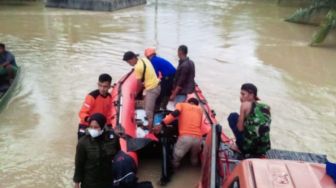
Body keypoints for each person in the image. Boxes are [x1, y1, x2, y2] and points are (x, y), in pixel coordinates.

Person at [73, 113, 120, 188]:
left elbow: (117, 155)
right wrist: (76, 183)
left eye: (96, 127)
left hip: (107, 181)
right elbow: (79, 164)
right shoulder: (83, 142)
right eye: (91, 127)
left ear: (102, 127)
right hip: (89, 182)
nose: (93, 129)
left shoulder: (112, 139)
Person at [156, 98, 203, 168]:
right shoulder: (200, 110)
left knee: (176, 158)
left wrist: (162, 123)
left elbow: (176, 113)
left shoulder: (182, 105)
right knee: (194, 157)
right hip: (198, 138)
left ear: (188, 102)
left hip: (185, 137)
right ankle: (194, 170)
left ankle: (175, 170)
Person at [227, 83, 271, 157]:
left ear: (251, 95)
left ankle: (239, 147)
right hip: (264, 148)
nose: (241, 97)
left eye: (243, 94)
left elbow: (240, 129)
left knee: (232, 116)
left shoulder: (244, 105)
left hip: (249, 149)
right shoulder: (266, 107)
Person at [123, 51, 161, 132]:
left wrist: (136, 94)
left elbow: (139, 84)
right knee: (146, 103)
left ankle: (150, 129)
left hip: (152, 89)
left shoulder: (138, 68)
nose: (129, 64)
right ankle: (150, 123)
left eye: (129, 62)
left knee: (148, 112)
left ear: (133, 58)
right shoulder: (144, 59)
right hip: (156, 85)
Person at [78, 74, 112, 139]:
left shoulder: (110, 97)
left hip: (99, 127)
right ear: (97, 84)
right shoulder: (91, 97)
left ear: (109, 86)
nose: (102, 89)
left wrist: (109, 126)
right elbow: (81, 113)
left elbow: (108, 115)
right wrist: (92, 121)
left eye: (105, 86)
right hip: (86, 125)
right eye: (100, 85)